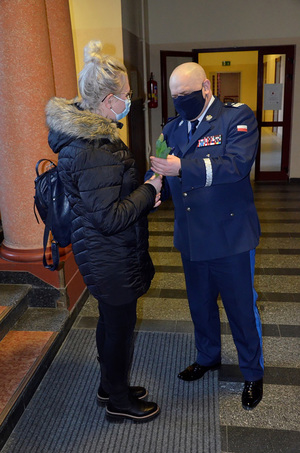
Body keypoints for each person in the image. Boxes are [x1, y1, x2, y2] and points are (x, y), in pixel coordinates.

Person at [45, 41, 162, 422]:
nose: (131, 100)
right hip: (108, 254)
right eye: (126, 95)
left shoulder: (91, 137)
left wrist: (140, 195)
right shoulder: (93, 147)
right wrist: (149, 191)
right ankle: (119, 402)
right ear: (109, 100)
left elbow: (105, 197)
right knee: (119, 329)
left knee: (111, 323)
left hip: (104, 251)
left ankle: (109, 385)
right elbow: (109, 218)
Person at [150, 62, 264, 410]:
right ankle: (208, 356)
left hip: (230, 237)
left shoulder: (237, 117)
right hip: (192, 236)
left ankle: (252, 373)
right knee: (200, 306)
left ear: (205, 88)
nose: (180, 101)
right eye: (174, 97)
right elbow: (158, 166)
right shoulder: (171, 129)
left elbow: (236, 166)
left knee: (241, 309)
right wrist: (153, 189)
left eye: (185, 95)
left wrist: (183, 168)